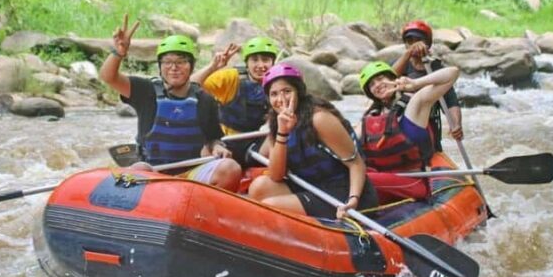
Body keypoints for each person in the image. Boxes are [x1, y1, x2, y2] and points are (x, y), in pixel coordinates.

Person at [99, 15, 242, 190]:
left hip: (191, 173)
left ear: (191, 65)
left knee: (230, 168)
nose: (174, 67)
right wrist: (118, 52)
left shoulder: (205, 100)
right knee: (138, 170)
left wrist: (218, 147)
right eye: (167, 62)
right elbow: (109, 77)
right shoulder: (146, 91)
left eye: (181, 62)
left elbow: (213, 138)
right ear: (160, 66)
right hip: (152, 170)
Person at [248, 64, 377, 220]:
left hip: (344, 190)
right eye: (274, 94)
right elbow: (276, 175)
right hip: (311, 185)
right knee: (259, 187)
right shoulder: (277, 121)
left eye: (287, 91)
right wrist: (282, 132)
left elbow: (356, 164)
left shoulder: (319, 118)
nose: (280, 99)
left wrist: (353, 200)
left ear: (299, 92)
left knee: (270, 206)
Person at [358, 60, 460, 202]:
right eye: (372, 84)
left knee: (359, 178)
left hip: (413, 181)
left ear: (393, 79)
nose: (377, 85)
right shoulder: (370, 118)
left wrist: (414, 84)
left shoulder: (415, 103)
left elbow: (452, 73)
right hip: (385, 181)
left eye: (380, 79)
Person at [191, 36, 279, 161]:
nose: (260, 65)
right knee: (206, 150)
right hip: (228, 140)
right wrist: (213, 67)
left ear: (273, 62)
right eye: (254, 60)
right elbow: (191, 86)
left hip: (260, 140)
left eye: (265, 60)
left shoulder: (280, 82)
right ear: (247, 63)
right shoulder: (231, 77)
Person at [392, 20, 463, 151]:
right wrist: (408, 54)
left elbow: (451, 101)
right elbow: (388, 79)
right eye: (410, 41)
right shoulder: (400, 64)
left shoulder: (436, 69)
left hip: (427, 125)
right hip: (400, 123)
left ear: (428, 43)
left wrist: (456, 124)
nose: (415, 44)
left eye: (418, 40)